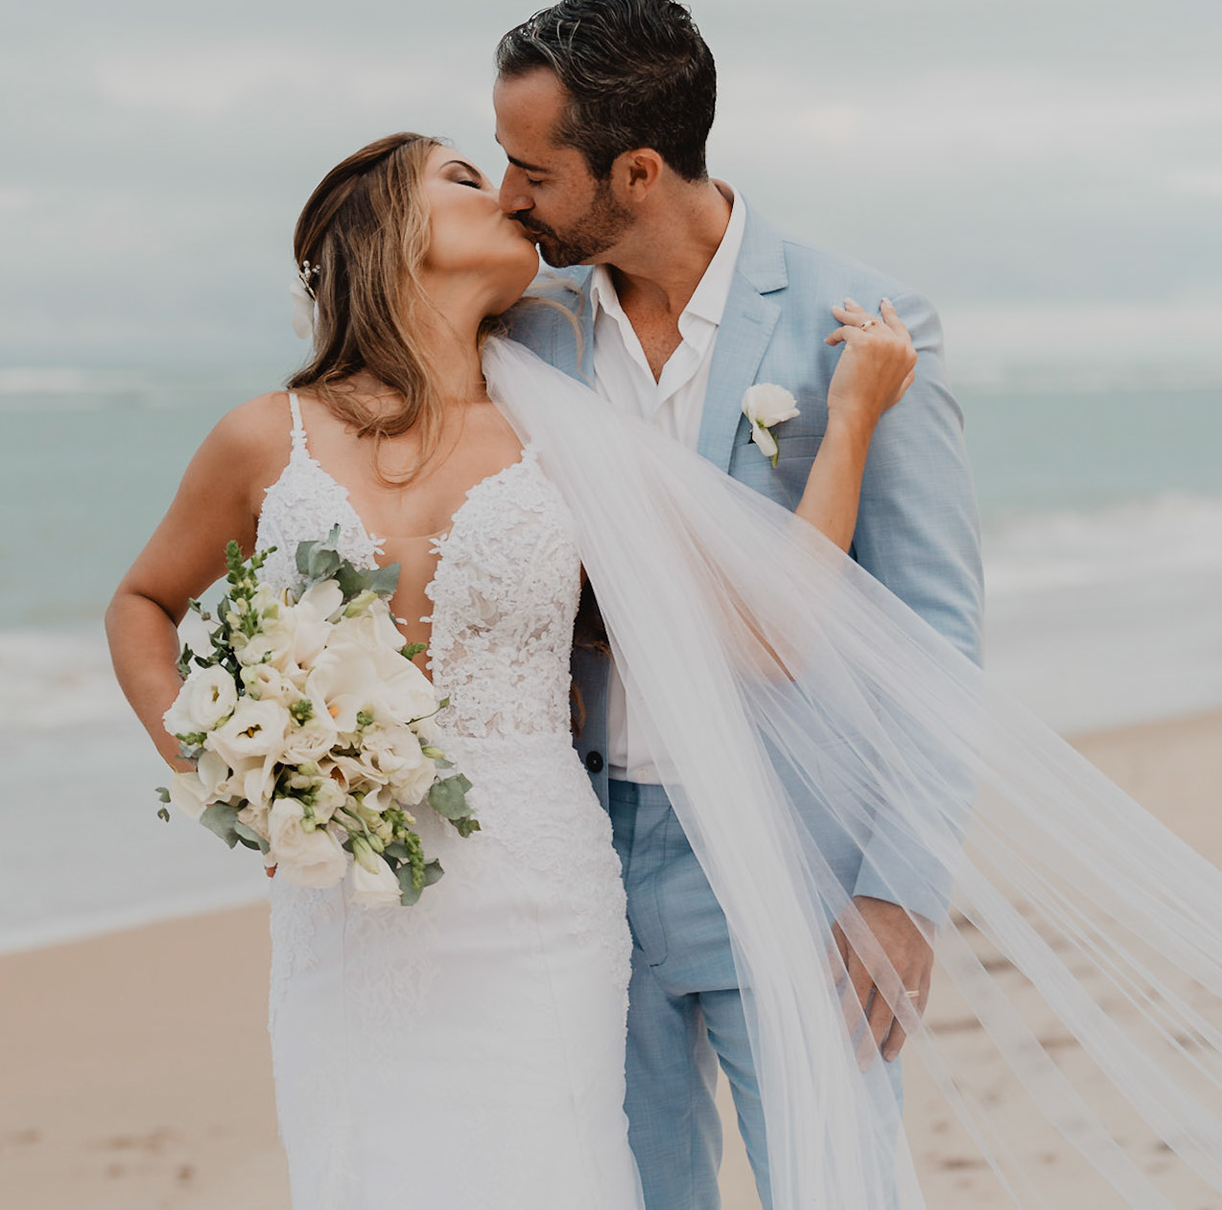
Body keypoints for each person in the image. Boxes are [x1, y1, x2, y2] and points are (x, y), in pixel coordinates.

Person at [104, 132, 922, 1208]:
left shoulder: (563, 437)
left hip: (537, 898)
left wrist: (851, 421)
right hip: (345, 913)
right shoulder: (264, 438)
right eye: (460, 177)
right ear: (384, 232)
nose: (505, 195)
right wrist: (233, 779)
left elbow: (769, 634)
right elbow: (143, 606)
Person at [491, 0, 981, 1209]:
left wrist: (900, 885)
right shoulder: (528, 336)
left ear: (638, 171)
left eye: (533, 171)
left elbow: (934, 627)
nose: (509, 199)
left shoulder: (857, 324)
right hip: (586, 860)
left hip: (791, 855)